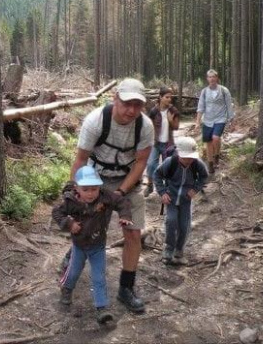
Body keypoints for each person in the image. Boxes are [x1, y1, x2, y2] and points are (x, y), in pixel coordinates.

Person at [64, 78, 154, 313]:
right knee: (85, 221)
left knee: (133, 233)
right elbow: (81, 159)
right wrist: (75, 191)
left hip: (127, 180)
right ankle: (74, 251)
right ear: (115, 98)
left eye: (138, 105)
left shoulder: (145, 126)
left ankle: (126, 287)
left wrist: (121, 192)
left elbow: (141, 162)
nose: (132, 110)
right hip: (95, 177)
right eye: (127, 103)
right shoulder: (95, 121)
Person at [52, 165, 133, 325]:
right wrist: (69, 223)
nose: (90, 193)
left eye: (94, 189)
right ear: (77, 188)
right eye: (86, 189)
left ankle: (101, 308)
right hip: (79, 246)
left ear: (99, 187)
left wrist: (124, 215)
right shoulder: (71, 201)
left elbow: (122, 202)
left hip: (98, 246)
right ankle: (67, 289)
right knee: (73, 272)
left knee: (99, 276)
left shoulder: (105, 197)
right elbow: (57, 212)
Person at [153, 136, 208, 265]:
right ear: (178, 153)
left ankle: (179, 250)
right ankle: (168, 249)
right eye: (185, 157)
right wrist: (162, 192)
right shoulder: (169, 162)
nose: (188, 160)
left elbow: (204, 176)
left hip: (186, 201)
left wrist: (195, 189)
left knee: (184, 225)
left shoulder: (197, 164)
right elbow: (157, 174)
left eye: (191, 157)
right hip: (171, 199)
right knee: (171, 222)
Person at [195, 69, 234, 174]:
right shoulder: (204, 92)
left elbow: (229, 106)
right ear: (207, 79)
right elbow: (200, 107)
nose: (212, 79)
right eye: (209, 77)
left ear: (217, 78)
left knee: (215, 138)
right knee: (208, 143)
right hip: (207, 120)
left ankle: (217, 154)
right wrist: (197, 122)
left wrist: (231, 120)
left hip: (220, 119)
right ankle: (210, 164)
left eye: (213, 77)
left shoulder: (224, 90)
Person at [143, 86, 180, 197]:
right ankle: (150, 185)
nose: (169, 99)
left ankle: (167, 190)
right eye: (167, 97)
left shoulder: (173, 110)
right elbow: (148, 125)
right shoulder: (154, 111)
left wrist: (170, 120)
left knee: (167, 167)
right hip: (155, 143)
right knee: (150, 164)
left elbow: (176, 127)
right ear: (160, 97)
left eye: (170, 97)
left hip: (168, 144)